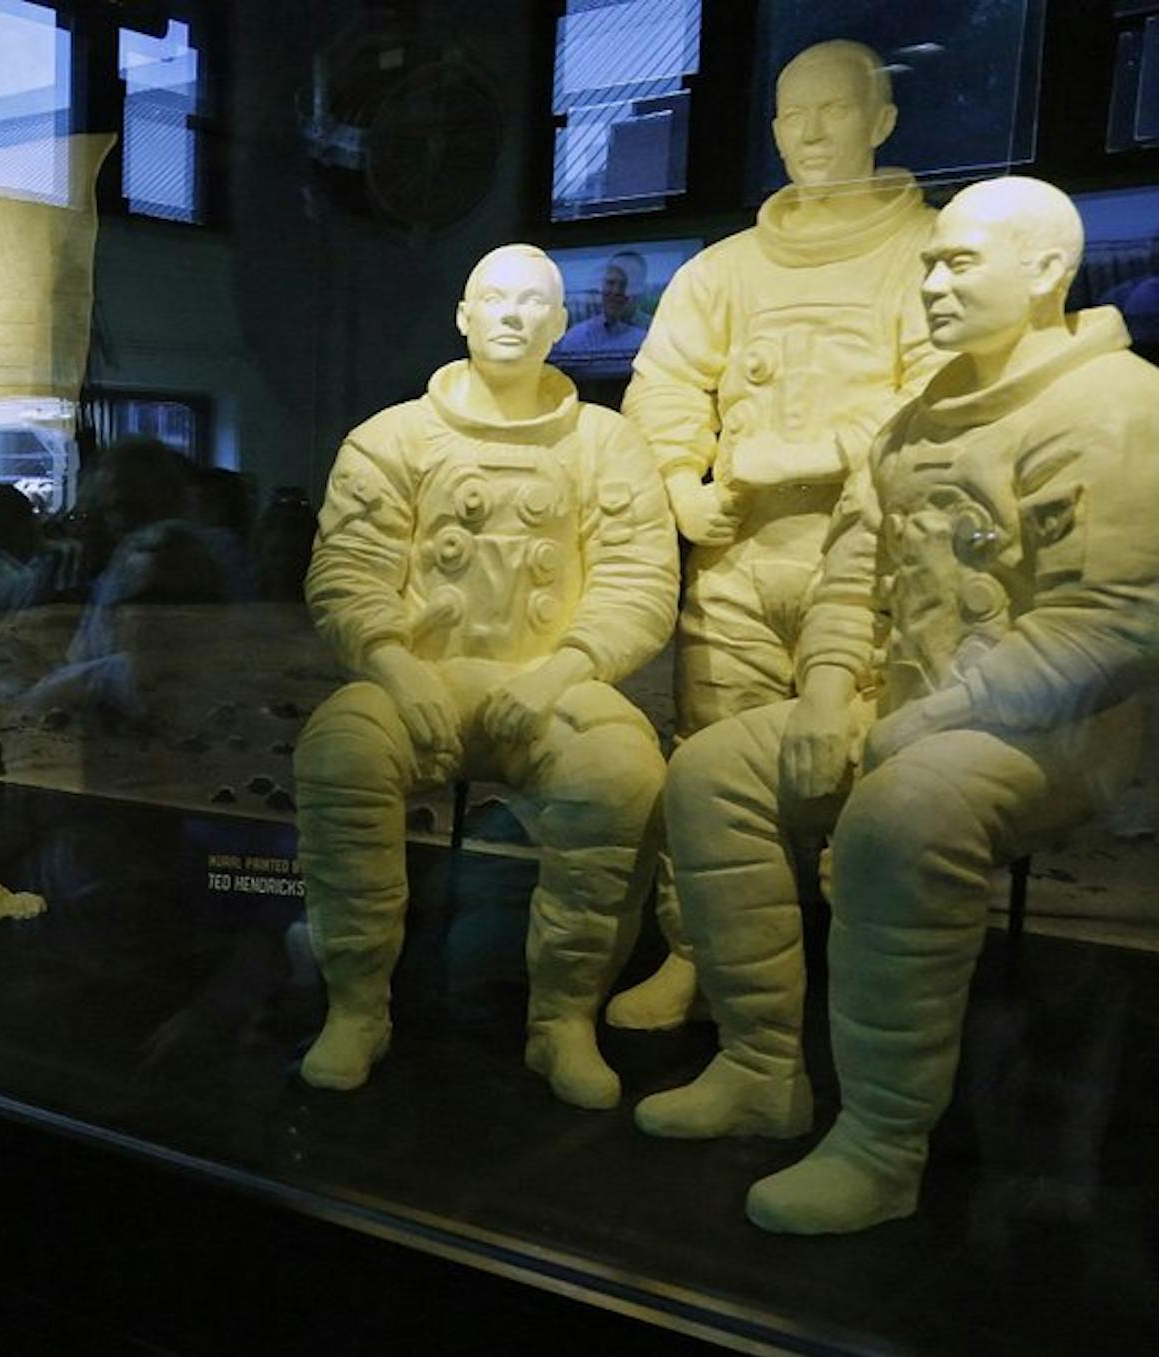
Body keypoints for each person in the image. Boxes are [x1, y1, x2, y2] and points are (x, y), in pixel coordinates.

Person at [651, 177, 1159, 1233]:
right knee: (710, 773)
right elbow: (853, 571)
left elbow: (1109, 625)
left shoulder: (1116, 405)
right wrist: (829, 690)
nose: (931, 281)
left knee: (902, 814)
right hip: (908, 707)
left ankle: (882, 1144)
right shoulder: (914, 418)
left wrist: (913, 726)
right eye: (929, 262)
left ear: (1046, 271)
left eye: (959, 263)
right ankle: (760, 1069)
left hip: (1052, 735)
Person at [293, 244, 678, 1105]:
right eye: (492, 299)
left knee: (623, 776)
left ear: (562, 324)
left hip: (554, 691)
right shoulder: (391, 438)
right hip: (414, 686)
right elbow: (349, 570)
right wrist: (395, 664)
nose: (511, 315)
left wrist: (560, 674)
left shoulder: (607, 445)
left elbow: (638, 582)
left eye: (532, 302)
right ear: (462, 316)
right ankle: (357, 1005)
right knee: (341, 753)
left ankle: (562, 1020)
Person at [610, 39, 942, 1032]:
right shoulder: (726, 271)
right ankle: (700, 953)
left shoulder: (929, 254)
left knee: (867, 767)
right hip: (740, 557)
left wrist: (798, 455)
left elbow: (941, 399)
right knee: (707, 762)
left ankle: (860, 974)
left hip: (878, 562)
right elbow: (665, 381)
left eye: (834, 110)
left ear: (880, 121)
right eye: (793, 113)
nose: (809, 131)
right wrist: (676, 480)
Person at [550, 250, 649, 370]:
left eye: (625, 284)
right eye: (610, 283)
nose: (616, 291)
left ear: (640, 288)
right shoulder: (576, 338)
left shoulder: (653, 336)